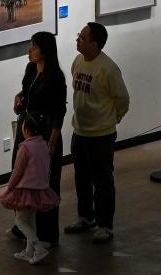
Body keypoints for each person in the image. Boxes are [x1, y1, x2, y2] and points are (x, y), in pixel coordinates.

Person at [64, 22, 130, 244]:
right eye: (79, 35)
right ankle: (86, 217)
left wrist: (113, 118)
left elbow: (123, 99)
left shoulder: (108, 69)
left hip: (101, 135)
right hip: (80, 131)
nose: (78, 40)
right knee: (81, 178)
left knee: (102, 181)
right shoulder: (78, 61)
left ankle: (105, 225)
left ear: (94, 44)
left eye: (82, 37)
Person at [8, 31, 66, 247]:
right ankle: (24, 226)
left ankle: (47, 233)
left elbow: (59, 111)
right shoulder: (31, 70)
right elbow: (27, 93)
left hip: (44, 134)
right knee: (22, 177)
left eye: (33, 46)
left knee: (44, 182)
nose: (29, 50)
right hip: (27, 131)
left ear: (45, 50)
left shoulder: (56, 77)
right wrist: (19, 97)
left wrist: (52, 140)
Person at [0, 111, 61, 265]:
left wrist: (9, 188)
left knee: (20, 221)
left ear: (26, 129)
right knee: (31, 221)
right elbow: (47, 168)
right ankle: (29, 252)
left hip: (25, 191)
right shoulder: (45, 145)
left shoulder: (25, 148)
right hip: (39, 190)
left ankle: (38, 249)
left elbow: (17, 171)